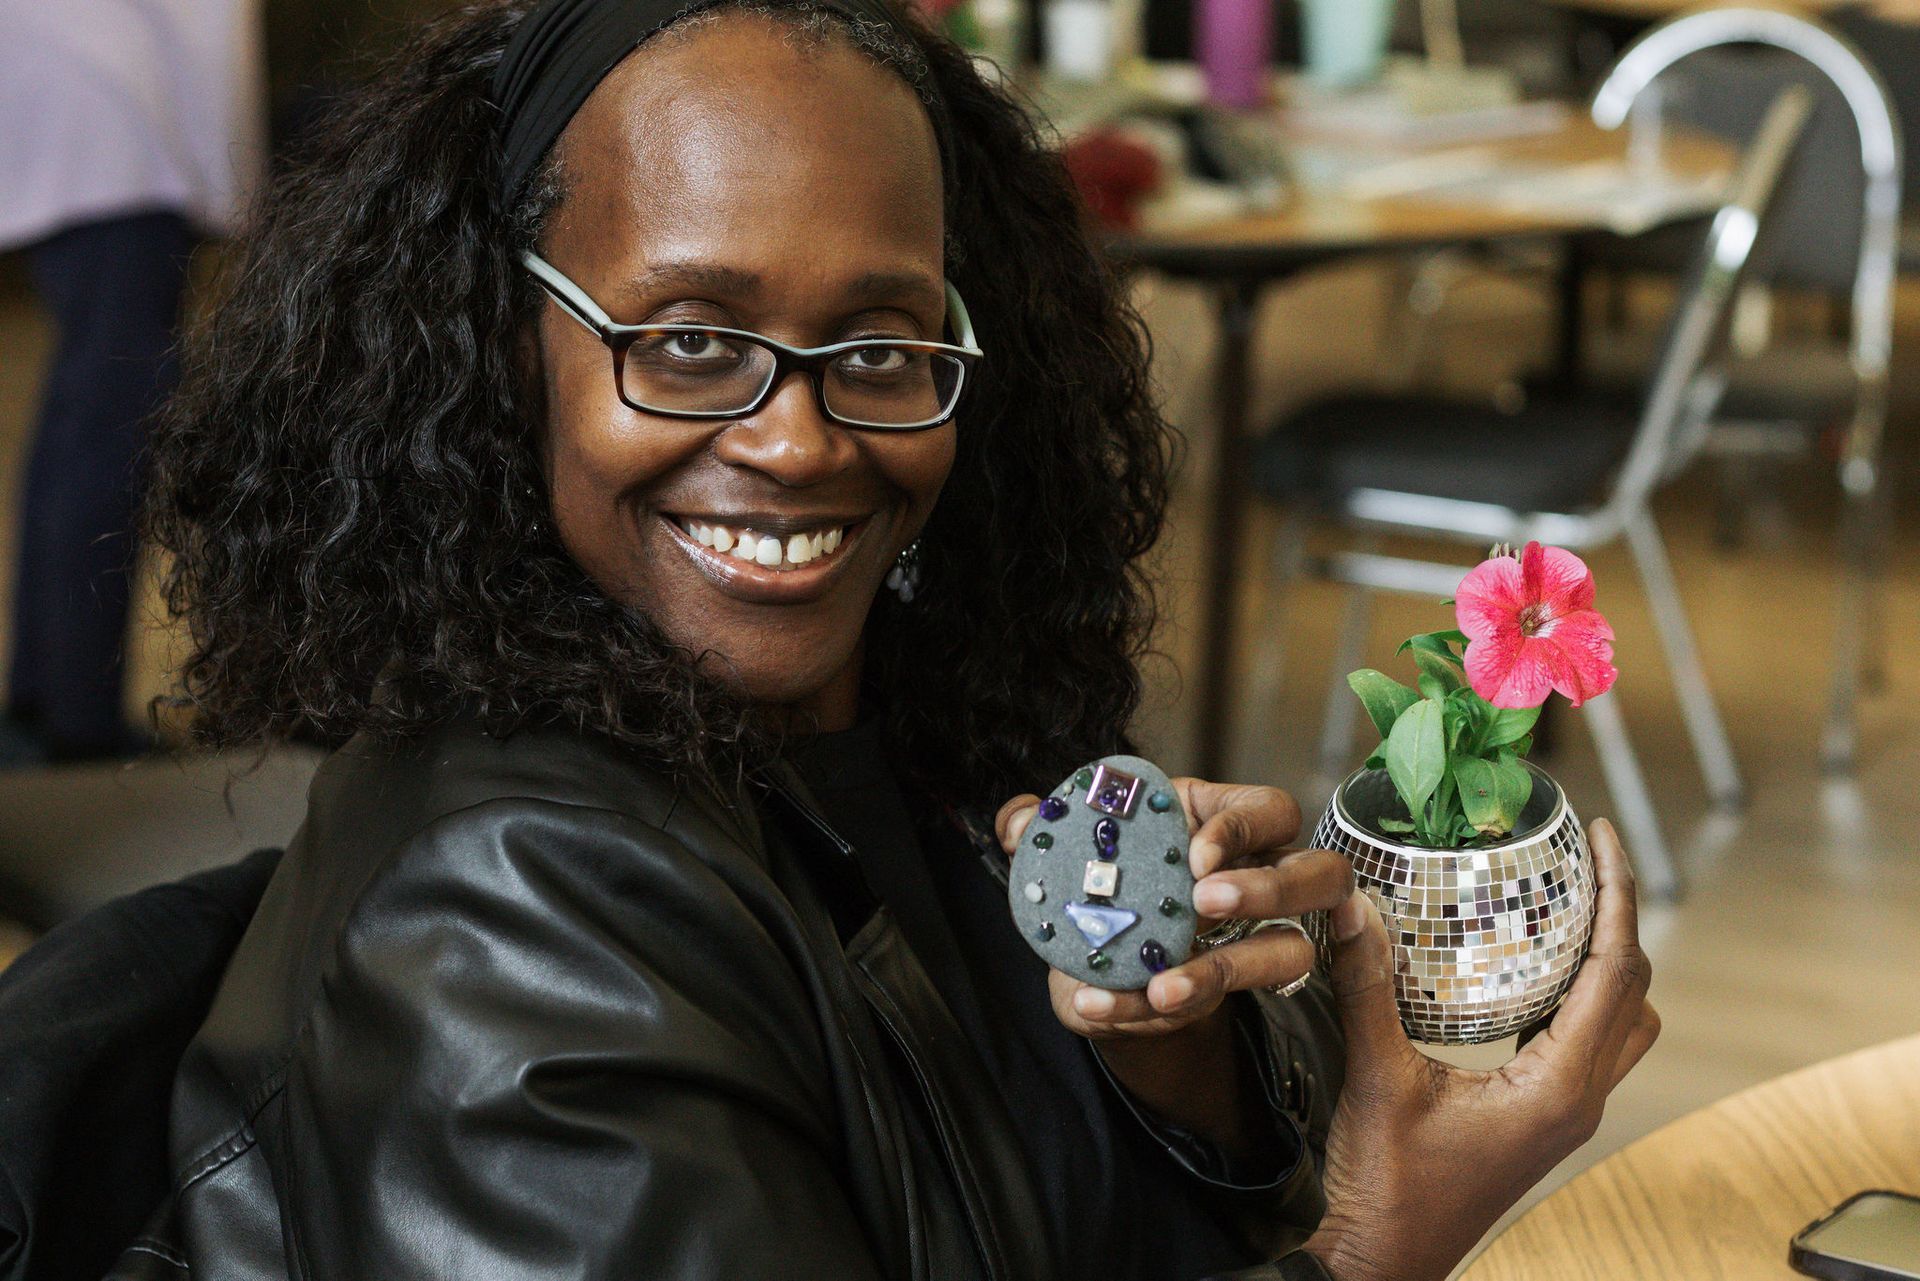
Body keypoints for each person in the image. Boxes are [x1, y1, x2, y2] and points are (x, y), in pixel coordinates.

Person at [124, 0, 1661, 1276]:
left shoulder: (904, 744)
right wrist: (1378, 1239)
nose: (795, 441)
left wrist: (1178, 1067)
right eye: (688, 340)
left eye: (878, 346)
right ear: (496, 347)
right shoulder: (504, 918)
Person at [0, 0, 265, 763]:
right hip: (116, 124)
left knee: (82, 409)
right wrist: (232, 181)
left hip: (82, 107)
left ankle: (42, 694)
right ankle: (77, 718)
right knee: (116, 414)